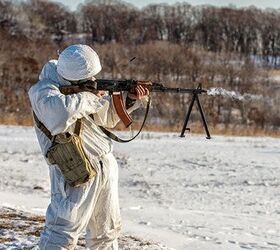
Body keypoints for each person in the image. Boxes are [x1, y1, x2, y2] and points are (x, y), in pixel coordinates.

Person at [28, 44, 149, 249]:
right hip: (74, 170)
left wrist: (129, 99)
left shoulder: (83, 92)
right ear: (74, 78)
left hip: (104, 166)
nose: (93, 81)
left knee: (106, 232)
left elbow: (107, 117)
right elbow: (59, 116)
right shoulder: (43, 91)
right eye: (89, 78)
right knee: (62, 232)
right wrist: (90, 97)